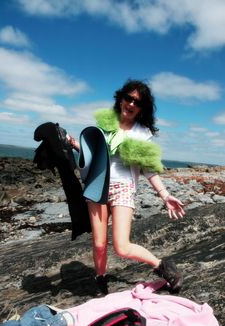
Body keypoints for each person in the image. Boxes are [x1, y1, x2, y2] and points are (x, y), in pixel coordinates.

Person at [69, 79, 185, 295]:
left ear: (142, 108)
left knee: (121, 246)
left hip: (123, 188)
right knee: (99, 243)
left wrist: (165, 194)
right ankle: (100, 280)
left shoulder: (141, 134)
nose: (131, 104)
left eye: (137, 102)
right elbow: (92, 154)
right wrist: (74, 144)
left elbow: (148, 168)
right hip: (97, 187)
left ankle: (164, 267)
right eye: (128, 98)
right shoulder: (105, 125)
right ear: (120, 99)